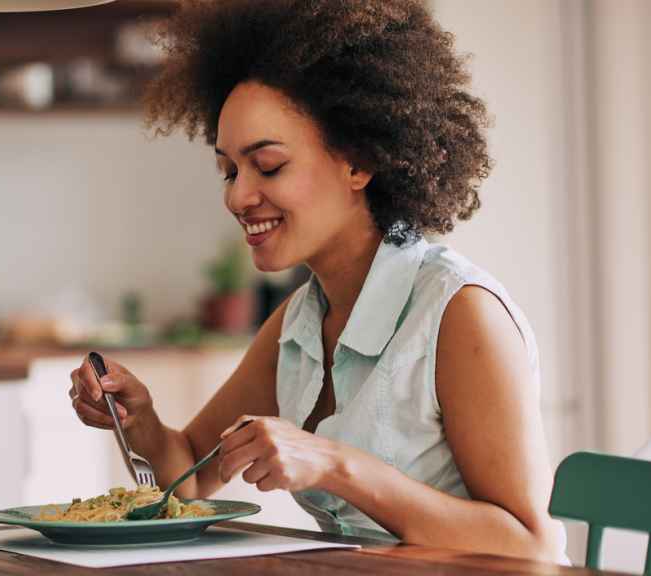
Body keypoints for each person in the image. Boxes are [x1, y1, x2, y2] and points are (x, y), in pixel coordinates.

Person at [69, 0, 567, 562]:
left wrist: (334, 464)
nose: (237, 196)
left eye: (269, 165)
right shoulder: (301, 320)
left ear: (357, 162)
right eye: (229, 171)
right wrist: (140, 420)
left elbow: (532, 545)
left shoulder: (458, 314)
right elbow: (190, 480)